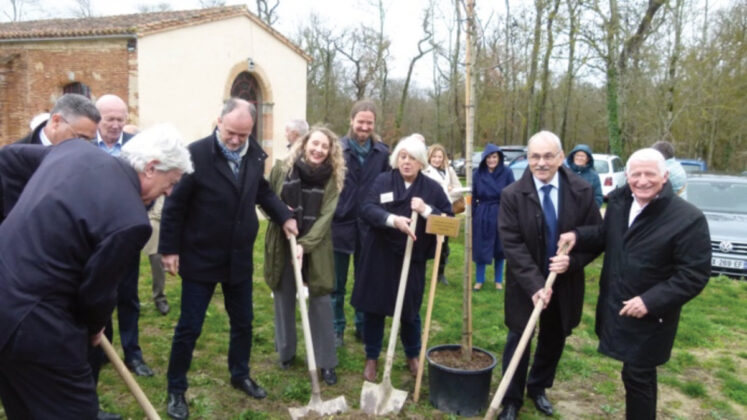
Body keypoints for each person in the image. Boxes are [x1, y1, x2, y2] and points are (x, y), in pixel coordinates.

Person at [0, 124, 192, 420]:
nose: (171, 191)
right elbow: (95, 294)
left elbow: (8, 160)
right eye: (172, 181)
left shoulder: (75, 151)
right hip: (38, 327)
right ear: (152, 167)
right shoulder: (131, 219)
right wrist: (95, 326)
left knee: (25, 406)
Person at [159, 98, 298, 420]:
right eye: (231, 133)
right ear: (218, 122)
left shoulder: (253, 155)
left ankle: (240, 374)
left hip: (238, 257)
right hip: (200, 254)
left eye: (243, 135)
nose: (236, 140)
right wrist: (169, 249)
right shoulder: (194, 155)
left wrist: (283, 216)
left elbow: (261, 191)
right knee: (189, 327)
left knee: (244, 323)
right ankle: (176, 389)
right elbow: (175, 206)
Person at [558, 148, 710, 420]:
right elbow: (606, 235)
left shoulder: (687, 219)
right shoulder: (621, 204)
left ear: (664, 177)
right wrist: (578, 236)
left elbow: (694, 274)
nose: (642, 180)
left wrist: (651, 301)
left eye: (649, 174)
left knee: (638, 375)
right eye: (635, 174)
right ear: (627, 176)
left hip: (652, 316)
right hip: (617, 303)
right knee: (633, 374)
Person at [496, 131, 602, 420]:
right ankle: (511, 399)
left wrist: (573, 259)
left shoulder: (581, 190)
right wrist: (535, 284)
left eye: (547, 156)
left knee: (554, 337)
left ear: (560, 156)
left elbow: (597, 236)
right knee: (519, 337)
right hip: (526, 283)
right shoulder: (512, 195)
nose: (540, 163)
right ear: (527, 159)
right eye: (534, 157)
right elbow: (512, 244)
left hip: (564, 283)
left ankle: (538, 386)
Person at [351, 136, 452, 382]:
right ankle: (372, 357)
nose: (407, 162)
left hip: (412, 257)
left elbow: (448, 225)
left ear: (421, 163)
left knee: (409, 310)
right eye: (403, 157)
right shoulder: (384, 180)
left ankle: (412, 355)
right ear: (397, 159)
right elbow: (366, 208)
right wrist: (392, 220)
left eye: (413, 158)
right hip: (380, 256)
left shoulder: (432, 189)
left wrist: (427, 211)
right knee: (374, 308)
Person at [264, 126, 346, 386]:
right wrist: (280, 214)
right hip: (282, 240)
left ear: (330, 152)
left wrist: (304, 245)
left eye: (325, 147)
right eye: (315, 144)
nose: (319, 150)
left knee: (321, 303)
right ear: (304, 143)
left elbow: (326, 216)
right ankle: (286, 353)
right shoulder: (281, 169)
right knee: (284, 297)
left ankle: (326, 363)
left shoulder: (333, 177)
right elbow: (266, 201)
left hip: (317, 245)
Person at [87, 95, 156, 402]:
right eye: (109, 119)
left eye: (120, 119)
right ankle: (100, 350)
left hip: (126, 234)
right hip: (93, 238)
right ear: (97, 120)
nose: (115, 125)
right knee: (97, 293)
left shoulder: (136, 148)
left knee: (128, 297)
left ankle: (133, 354)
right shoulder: (85, 147)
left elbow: (150, 189)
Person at [330, 99, 390, 347]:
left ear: (374, 124)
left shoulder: (382, 153)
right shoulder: (337, 150)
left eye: (369, 123)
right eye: (360, 122)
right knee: (336, 284)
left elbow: (388, 186)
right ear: (352, 121)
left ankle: (362, 325)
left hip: (370, 226)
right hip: (340, 225)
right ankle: (336, 329)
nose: (364, 127)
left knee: (365, 280)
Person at [472, 143, 515, 291]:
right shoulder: (477, 173)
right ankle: (479, 280)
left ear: (499, 158)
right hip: (483, 213)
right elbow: (474, 196)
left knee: (500, 248)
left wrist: (511, 215)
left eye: (494, 157)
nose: (492, 160)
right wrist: (473, 214)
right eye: (489, 157)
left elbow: (512, 195)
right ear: (484, 158)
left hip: (501, 212)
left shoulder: (507, 172)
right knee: (480, 247)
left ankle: (498, 280)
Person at [422, 143, 462, 285]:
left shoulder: (449, 170)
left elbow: (459, 188)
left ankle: (440, 274)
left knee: (444, 245)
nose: (437, 159)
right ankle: (420, 272)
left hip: (447, 209)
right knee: (425, 243)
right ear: (429, 157)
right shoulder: (424, 171)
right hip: (430, 210)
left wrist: (451, 190)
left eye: (440, 156)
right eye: (434, 156)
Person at [15, 93, 98, 145]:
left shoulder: (90, 157)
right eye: (81, 138)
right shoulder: (14, 159)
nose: (86, 146)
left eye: (91, 140)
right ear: (56, 122)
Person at [143, 196, 170, 315]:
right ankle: (125, 298)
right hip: (140, 215)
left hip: (158, 221)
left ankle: (159, 297)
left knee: (157, 259)